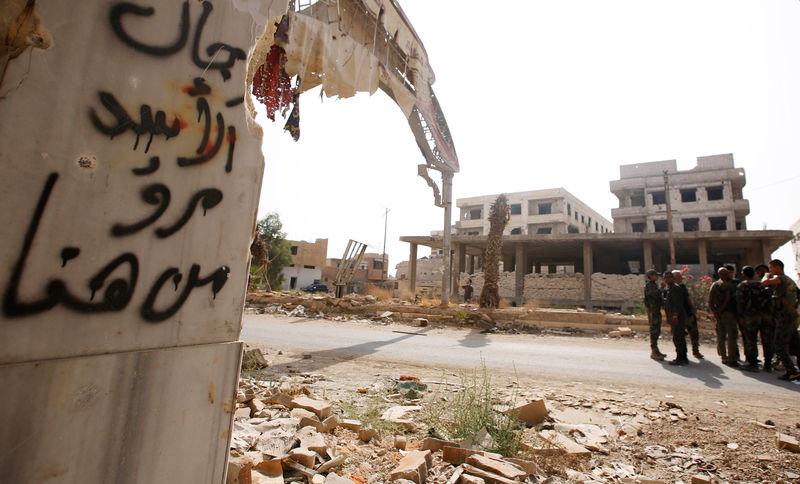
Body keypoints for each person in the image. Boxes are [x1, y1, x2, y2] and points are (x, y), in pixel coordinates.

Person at [761, 259, 800, 381]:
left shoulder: (782, 278)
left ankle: (791, 371)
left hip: (786, 316)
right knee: (796, 345)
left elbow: (764, 282)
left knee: (779, 344)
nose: (770, 270)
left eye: (771, 268)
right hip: (791, 315)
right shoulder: (789, 280)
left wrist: (766, 275)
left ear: (777, 267)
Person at [736, 266, 770, 372]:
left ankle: (752, 362)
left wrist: (740, 316)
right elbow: (769, 300)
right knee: (767, 339)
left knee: (751, 339)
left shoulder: (743, 285)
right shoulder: (762, 284)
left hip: (750, 316)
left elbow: (740, 302)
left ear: (744, 274)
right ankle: (768, 363)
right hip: (765, 316)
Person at [709, 267, 740, 366]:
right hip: (729, 313)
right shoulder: (729, 285)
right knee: (731, 336)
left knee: (721, 336)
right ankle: (732, 358)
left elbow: (710, 300)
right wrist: (721, 311)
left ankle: (723, 356)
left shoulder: (714, 285)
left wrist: (715, 313)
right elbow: (728, 298)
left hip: (719, 314)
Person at [674, 271, 703, 359]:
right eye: (679, 277)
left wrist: (693, 308)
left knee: (694, 332)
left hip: (688, 313)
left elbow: (687, 298)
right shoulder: (671, 288)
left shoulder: (682, 287)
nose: (681, 278)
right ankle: (682, 354)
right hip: (679, 315)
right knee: (680, 336)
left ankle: (695, 350)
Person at [666, 269, 689, 365]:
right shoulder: (669, 288)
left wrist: (675, 316)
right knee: (677, 337)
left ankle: (681, 357)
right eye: (665, 277)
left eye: (669, 277)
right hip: (673, 316)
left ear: (672, 278)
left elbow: (677, 304)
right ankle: (681, 356)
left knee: (678, 337)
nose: (667, 279)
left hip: (677, 317)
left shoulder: (675, 288)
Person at [644, 269, 666, 360]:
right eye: (655, 275)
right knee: (654, 330)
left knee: (656, 330)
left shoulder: (653, 285)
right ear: (651, 276)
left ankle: (656, 350)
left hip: (655, 310)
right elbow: (654, 295)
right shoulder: (650, 285)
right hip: (653, 311)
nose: (657, 277)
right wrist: (661, 288)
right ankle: (654, 351)